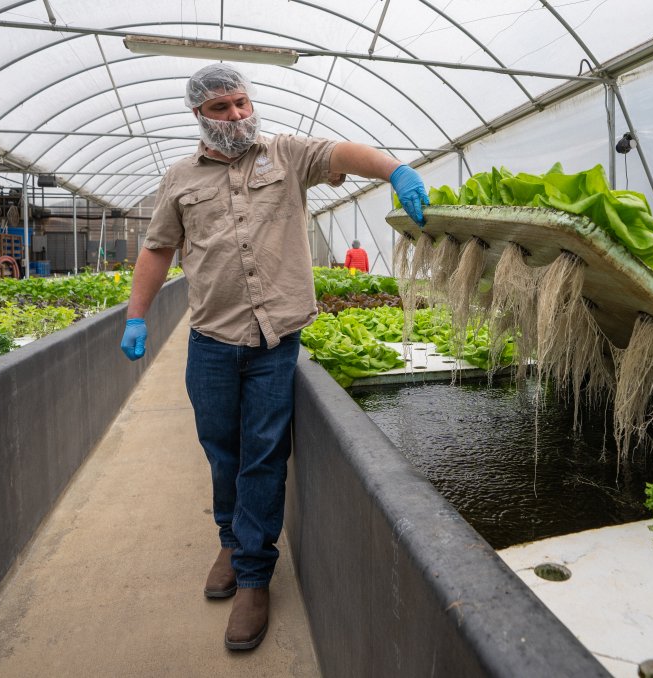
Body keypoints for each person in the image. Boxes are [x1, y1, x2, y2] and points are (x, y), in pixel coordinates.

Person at [117, 63, 428, 652]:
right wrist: (137, 314)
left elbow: (342, 151)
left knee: (261, 455)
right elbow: (158, 249)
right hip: (211, 339)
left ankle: (254, 578)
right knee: (220, 448)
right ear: (199, 116)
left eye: (241, 103)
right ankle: (230, 541)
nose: (236, 115)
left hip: (274, 343)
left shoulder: (286, 155)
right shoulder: (180, 177)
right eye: (221, 108)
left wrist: (395, 170)